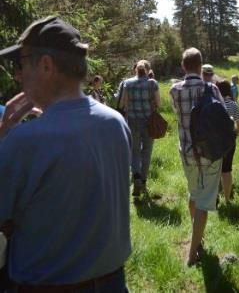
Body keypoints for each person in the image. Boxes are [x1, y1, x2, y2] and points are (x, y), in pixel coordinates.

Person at [0, 16, 131, 291]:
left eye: (21, 63)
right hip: (113, 282)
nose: (18, 74)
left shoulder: (24, 140)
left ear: (46, 65)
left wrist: (3, 136)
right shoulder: (115, 122)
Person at [170, 48, 223, 266]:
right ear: (201, 66)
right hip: (209, 153)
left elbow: (177, 115)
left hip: (187, 152)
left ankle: (196, 234)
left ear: (183, 66)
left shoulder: (174, 90)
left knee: (194, 194)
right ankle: (192, 255)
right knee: (203, 200)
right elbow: (222, 117)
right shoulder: (210, 87)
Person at [121, 59, 160, 196]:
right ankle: (143, 181)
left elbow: (123, 104)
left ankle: (136, 177)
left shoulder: (128, 83)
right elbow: (158, 103)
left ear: (135, 70)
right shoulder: (152, 83)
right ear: (147, 70)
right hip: (149, 122)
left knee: (135, 151)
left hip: (133, 121)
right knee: (147, 151)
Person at [216, 80, 239, 203]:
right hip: (229, 141)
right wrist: (234, 134)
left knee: (214, 170)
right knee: (226, 170)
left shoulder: (214, 104)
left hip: (214, 141)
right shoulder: (233, 105)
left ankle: (213, 197)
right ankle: (227, 199)